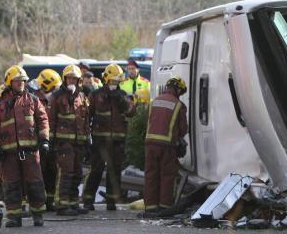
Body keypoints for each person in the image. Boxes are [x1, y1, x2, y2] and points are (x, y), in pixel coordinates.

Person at [0, 65, 49, 227]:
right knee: (11, 184)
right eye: (17, 81)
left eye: (23, 81)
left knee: (35, 183)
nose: (21, 84)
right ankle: (14, 217)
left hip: (31, 151)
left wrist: (44, 140)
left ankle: (38, 215)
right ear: (9, 82)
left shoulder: (33, 100)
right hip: (8, 153)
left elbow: (43, 119)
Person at [83, 63, 135, 211]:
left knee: (115, 171)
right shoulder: (96, 95)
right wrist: (87, 138)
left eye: (117, 81)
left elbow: (132, 113)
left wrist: (123, 101)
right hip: (99, 140)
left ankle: (111, 202)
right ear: (106, 80)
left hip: (117, 141)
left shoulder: (123, 95)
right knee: (96, 170)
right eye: (112, 81)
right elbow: (87, 116)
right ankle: (87, 201)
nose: (115, 84)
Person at [143, 76, 188, 218]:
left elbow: (149, 121)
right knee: (167, 176)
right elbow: (182, 129)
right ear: (178, 90)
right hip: (167, 145)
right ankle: (164, 208)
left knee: (151, 175)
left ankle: (150, 208)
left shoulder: (154, 101)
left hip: (150, 144)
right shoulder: (178, 105)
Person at [49, 65, 91, 216]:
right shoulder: (56, 96)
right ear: (64, 79)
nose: (71, 80)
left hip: (79, 143)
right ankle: (62, 205)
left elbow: (85, 120)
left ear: (79, 80)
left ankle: (73, 203)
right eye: (69, 78)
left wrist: (87, 139)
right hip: (63, 143)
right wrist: (50, 141)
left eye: (74, 78)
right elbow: (51, 120)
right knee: (66, 173)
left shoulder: (82, 97)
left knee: (77, 173)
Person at [33, 69, 62, 211]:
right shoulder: (34, 99)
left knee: (52, 172)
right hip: (37, 142)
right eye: (55, 86)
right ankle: (39, 203)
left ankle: (49, 202)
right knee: (39, 174)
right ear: (47, 85)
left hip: (53, 142)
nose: (57, 88)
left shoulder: (55, 99)